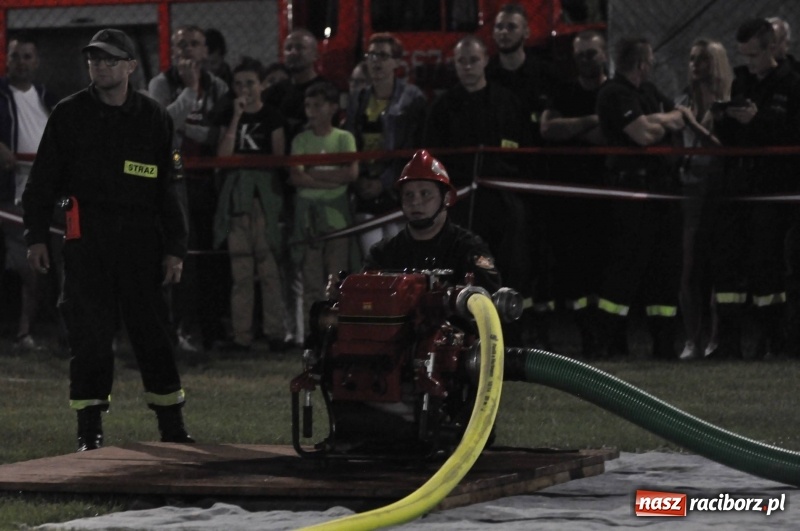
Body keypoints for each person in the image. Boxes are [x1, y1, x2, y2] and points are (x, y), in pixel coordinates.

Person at [22, 29, 193, 451]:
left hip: (142, 243)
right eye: (94, 60)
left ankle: (172, 427)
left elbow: (169, 192)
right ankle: (89, 432)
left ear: (131, 67)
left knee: (154, 335)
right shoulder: (69, 114)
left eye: (110, 60)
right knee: (90, 338)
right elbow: (41, 184)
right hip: (88, 243)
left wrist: (175, 248)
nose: (100, 66)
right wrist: (37, 237)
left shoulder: (154, 118)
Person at [423, 35, 531, 344]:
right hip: (462, 201)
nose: (467, 66)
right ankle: (465, 333)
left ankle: (511, 333)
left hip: (503, 199)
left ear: (485, 60)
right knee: (465, 266)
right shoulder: (443, 107)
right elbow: (434, 157)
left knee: (510, 265)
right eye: (461, 61)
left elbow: (520, 145)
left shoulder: (506, 101)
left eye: (473, 60)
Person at [712, 19, 800, 360]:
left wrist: (758, 121)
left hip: (773, 190)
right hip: (740, 186)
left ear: (771, 48)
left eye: (753, 56)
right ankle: (730, 343)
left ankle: (774, 340)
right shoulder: (742, 81)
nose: (748, 63)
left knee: (768, 267)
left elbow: (791, 134)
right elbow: (734, 140)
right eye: (743, 56)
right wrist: (726, 121)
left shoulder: (792, 85)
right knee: (729, 264)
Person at [594, 36, 685, 360]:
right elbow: (643, 135)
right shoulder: (614, 93)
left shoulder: (646, 92)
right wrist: (663, 122)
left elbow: (679, 114)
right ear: (642, 63)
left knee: (665, 269)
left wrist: (657, 120)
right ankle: (606, 342)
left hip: (662, 191)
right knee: (626, 268)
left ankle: (664, 345)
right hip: (631, 193)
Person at [148, 25, 230, 353]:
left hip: (209, 184)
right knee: (179, 261)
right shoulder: (161, 83)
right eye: (182, 43)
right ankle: (176, 329)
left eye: (195, 44)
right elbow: (157, 128)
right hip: (172, 184)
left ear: (206, 51)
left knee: (211, 260)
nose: (188, 50)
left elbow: (218, 136)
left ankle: (210, 331)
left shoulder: (220, 86)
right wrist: (190, 92)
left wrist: (183, 123)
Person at [212, 57, 290, 353]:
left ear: (261, 85)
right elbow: (222, 156)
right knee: (241, 271)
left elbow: (278, 159)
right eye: (239, 84)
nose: (244, 89)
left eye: (250, 83)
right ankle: (241, 335)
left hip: (264, 199)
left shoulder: (272, 117)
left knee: (269, 269)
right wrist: (235, 118)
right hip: (236, 199)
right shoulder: (228, 115)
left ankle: (275, 333)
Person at [539, 30, 608, 358]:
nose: (585, 60)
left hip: (610, 193)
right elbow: (550, 129)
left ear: (604, 54)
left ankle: (612, 337)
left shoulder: (614, 92)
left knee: (607, 271)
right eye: (580, 55)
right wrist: (594, 120)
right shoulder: (564, 92)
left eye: (591, 53)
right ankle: (587, 337)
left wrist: (574, 129)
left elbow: (609, 137)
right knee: (575, 273)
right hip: (571, 197)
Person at [364, 149, 501, 293]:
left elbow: (489, 298)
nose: (415, 202)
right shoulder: (383, 254)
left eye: (425, 194)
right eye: (409, 195)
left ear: (446, 198)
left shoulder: (468, 250)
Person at [343, 33, 427, 259]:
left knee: (402, 255)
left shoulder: (412, 98)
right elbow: (350, 142)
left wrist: (384, 182)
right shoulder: (358, 99)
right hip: (365, 190)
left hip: (397, 191)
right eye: (371, 55)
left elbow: (412, 147)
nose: (375, 61)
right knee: (373, 256)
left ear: (397, 62)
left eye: (382, 55)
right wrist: (359, 178)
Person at [0, 33, 60, 352]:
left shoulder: (47, 97)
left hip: (42, 194)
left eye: (27, 56)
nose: (21, 62)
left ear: (36, 61)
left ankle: (27, 332)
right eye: (15, 56)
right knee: (25, 264)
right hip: (8, 194)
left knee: (39, 265)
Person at [673, 39, 731, 360]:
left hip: (721, 192)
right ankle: (691, 339)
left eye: (704, 59)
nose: (696, 65)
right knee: (688, 268)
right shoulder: (680, 100)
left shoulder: (728, 103)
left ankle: (716, 337)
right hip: (689, 193)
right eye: (692, 58)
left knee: (718, 267)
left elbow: (724, 147)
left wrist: (694, 125)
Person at [288, 81, 357, 341]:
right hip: (308, 221)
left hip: (337, 219)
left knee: (336, 280)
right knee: (311, 281)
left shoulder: (344, 138)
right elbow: (296, 177)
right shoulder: (301, 140)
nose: (311, 110)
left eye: (318, 105)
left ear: (332, 107)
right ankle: (312, 334)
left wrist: (313, 174)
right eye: (308, 105)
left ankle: (335, 333)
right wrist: (330, 177)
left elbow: (350, 173)